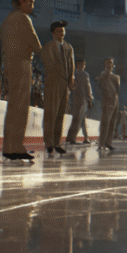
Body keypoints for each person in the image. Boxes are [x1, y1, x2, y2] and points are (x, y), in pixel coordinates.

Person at [0, 0, 42, 162]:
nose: (32, 6)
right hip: (22, 64)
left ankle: (9, 146)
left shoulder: (7, 20)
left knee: (13, 106)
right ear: (21, 1)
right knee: (21, 107)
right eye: (30, 2)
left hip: (9, 64)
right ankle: (16, 146)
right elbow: (36, 44)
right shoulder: (24, 19)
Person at [40, 20, 74, 155]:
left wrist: (71, 79)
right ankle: (49, 143)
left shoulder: (68, 47)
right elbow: (50, 65)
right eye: (59, 31)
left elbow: (71, 66)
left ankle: (57, 142)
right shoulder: (48, 47)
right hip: (53, 83)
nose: (62, 33)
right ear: (53, 33)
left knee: (60, 114)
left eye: (63, 31)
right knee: (50, 114)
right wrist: (61, 77)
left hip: (65, 84)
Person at [66, 58, 94, 144]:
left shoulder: (72, 74)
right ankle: (72, 137)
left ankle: (85, 137)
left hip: (75, 98)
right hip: (82, 99)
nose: (83, 66)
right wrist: (90, 98)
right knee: (78, 118)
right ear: (78, 64)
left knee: (81, 119)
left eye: (84, 65)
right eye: (82, 64)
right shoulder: (85, 74)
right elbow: (88, 87)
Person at [97, 57, 120, 151]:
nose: (109, 65)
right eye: (107, 63)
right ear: (104, 65)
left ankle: (108, 142)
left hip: (115, 102)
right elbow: (101, 87)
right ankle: (101, 143)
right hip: (107, 102)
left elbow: (118, 90)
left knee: (112, 124)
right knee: (105, 123)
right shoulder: (103, 75)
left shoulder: (116, 77)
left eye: (111, 63)